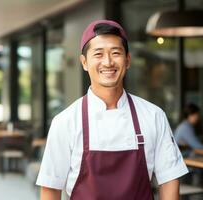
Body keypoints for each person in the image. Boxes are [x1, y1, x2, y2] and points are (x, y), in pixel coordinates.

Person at [36, 20, 188, 200]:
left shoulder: (154, 116)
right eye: (98, 54)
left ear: (128, 60)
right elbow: (50, 189)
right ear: (84, 62)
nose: (107, 62)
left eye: (115, 53)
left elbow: (169, 179)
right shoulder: (65, 121)